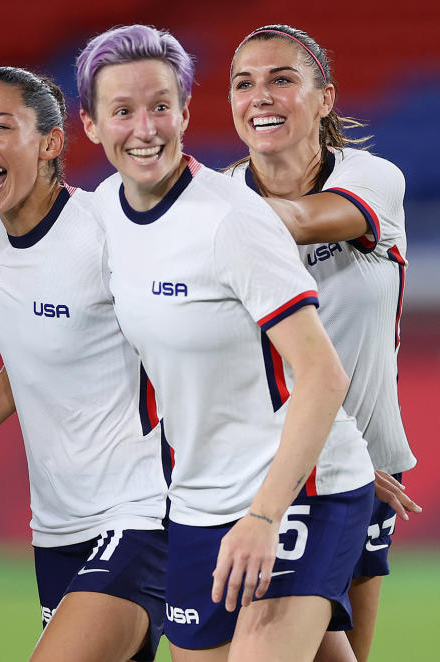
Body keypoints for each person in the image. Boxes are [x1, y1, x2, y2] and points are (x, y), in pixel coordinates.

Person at [75, 24, 374, 661]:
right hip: (198, 502)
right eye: (122, 111)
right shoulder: (101, 211)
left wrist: (265, 517)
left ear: (185, 111)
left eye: (160, 106)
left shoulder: (234, 220)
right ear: (91, 126)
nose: (145, 128)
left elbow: (323, 376)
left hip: (298, 492)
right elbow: (28, 235)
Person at [0, 66, 169, 662]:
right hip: (57, 528)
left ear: (50, 142)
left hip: (143, 512)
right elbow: (35, 356)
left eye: (0, 126)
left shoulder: (105, 230)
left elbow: (204, 339)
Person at [226, 25, 420, 662]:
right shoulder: (214, 197)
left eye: (282, 79)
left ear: (325, 98)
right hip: (256, 478)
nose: (262, 95)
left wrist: (178, 203)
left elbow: (306, 218)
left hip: (361, 473)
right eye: (244, 83)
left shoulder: (372, 177)